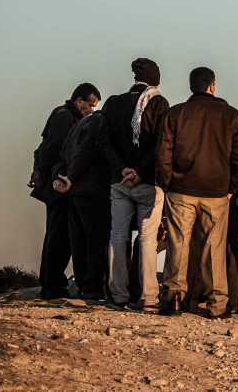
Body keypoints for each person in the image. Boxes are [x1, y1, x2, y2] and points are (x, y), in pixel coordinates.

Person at [156, 67, 238, 319]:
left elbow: (163, 153)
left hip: (180, 189)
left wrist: (166, 183)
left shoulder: (175, 113)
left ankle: (174, 296)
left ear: (192, 87)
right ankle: (218, 303)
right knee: (214, 247)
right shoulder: (232, 115)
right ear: (212, 86)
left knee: (178, 243)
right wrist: (232, 186)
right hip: (217, 192)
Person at [97, 58, 170, 311]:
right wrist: (139, 170)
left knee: (117, 236)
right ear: (156, 79)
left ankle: (118, 295)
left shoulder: (113, 103)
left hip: (119, 181)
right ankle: (149, 296)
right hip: (148, 181)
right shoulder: (160, 104)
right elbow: (161, 144)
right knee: (147, 239)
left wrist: (122, 169)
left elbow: (103, 141)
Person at [29, 83, 101, 300]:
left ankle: (51, 284)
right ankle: (52, 286)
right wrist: (53, 177)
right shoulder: (64, 117)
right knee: (59, 237)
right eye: (89, 105)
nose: (91, 110)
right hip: (58, 185)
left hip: (56, 183)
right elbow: (52, 149)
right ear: (78, 101)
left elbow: (41, 148)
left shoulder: (65, 115)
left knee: (57, 236)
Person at [52, 109, 110, 301]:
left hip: (74, 194)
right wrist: (71, 177)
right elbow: (86, 152)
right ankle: (93, 287)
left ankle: (83, 286)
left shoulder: (77, 126)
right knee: (96, 240)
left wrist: (60, 178)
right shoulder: (98, 123)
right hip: (92, 191)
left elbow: (62, 156)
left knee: (78, 241)